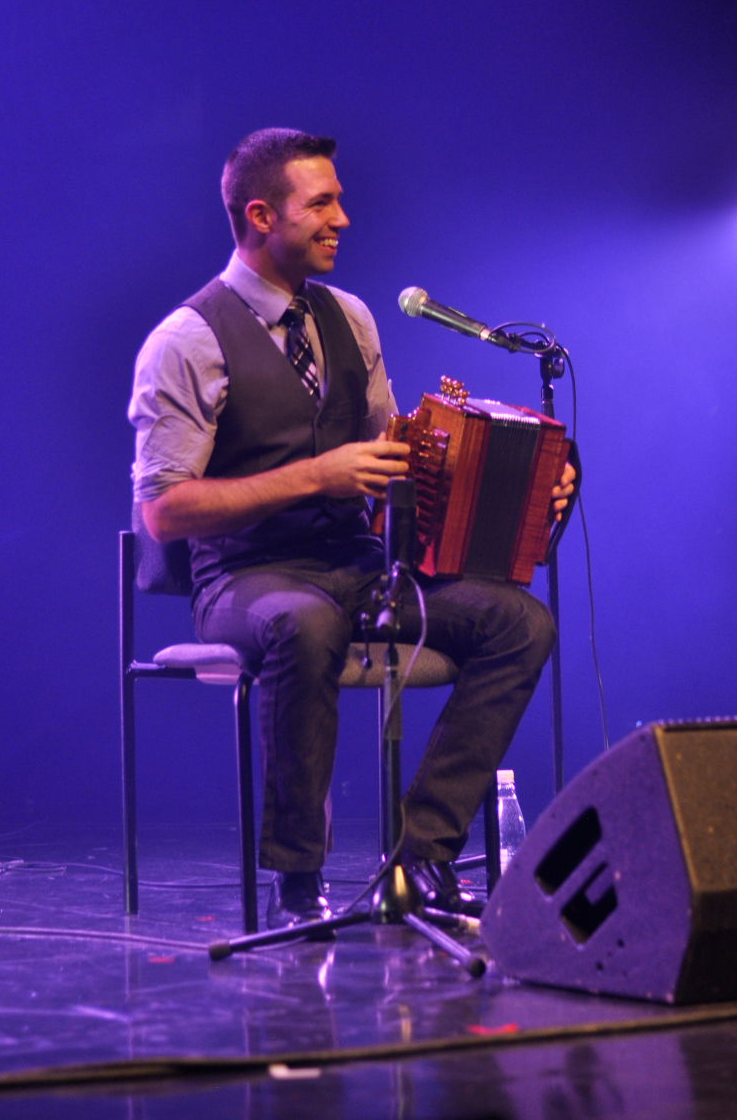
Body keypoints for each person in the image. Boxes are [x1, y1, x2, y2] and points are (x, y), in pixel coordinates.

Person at [129, 128, 575, 928]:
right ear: (261, 215)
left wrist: (517, 476)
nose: (344, 218)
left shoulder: (351, 320)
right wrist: (314, 476)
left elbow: (388, 456)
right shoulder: (187, 340)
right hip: (245, 578)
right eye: (323, 203)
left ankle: (423, 854)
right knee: (303, 624)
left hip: (358, 567)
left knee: (520, 623)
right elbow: (163, 509)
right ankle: (298, 877)